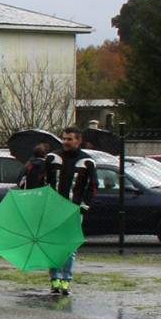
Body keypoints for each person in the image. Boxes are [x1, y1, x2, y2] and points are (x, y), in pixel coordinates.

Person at [44, 127, 96, 298]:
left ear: (78, 141)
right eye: (64, 138)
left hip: (74, 209)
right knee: (52, 245)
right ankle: (54, 280)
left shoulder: (87, 161)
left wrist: (84, 205)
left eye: (69, 139)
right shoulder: (52, 158)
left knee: (69, 246)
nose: (65, 142)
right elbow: (44, 181)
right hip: (54, 209)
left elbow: (93, 186)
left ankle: (66, 281)